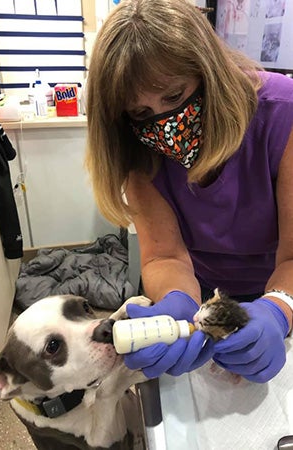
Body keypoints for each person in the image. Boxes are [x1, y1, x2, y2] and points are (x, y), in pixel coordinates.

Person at [86, 0, 293, 383]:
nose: (164, 123)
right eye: (141, 113)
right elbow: (165, 255)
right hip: (202, 297)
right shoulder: (137, 147)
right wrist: (177, 302)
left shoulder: (283, 113)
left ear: (208, 73)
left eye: (175, 96)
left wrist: (278, 309)